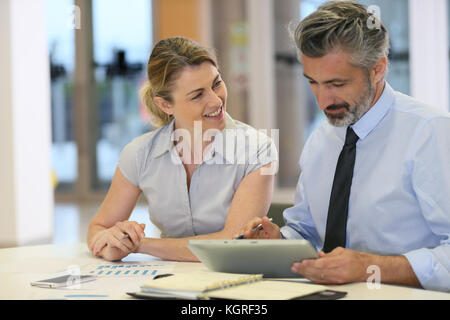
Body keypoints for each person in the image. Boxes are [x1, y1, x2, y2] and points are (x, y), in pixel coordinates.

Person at [242, 1, 450, 292]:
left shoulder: (431, 132)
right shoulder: (321, 138)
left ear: (377, 70)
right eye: (313, 82)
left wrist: (371, 268)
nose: (323, 101)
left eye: (336, 84)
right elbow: (308, 232)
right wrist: (277, 241)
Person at [88, 37, 278, 262]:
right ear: (165, 105)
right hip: (169, 281)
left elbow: (232, 243)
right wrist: (113, 242)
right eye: (198, 95)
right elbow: (98, 228)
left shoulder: (257, 150)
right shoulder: (140, 153)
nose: (216, 100)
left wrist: (140, 244)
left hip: (233, 277)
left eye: (216, 83)